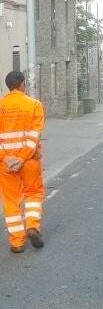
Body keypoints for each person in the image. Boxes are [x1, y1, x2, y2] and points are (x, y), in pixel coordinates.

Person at [0, 71, 45, 253]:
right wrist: (22, 157)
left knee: (11, 200)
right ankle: (32, 226)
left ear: (8, 86)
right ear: (21, 84)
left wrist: (6, 157)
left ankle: (17, 242)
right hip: (29, 161)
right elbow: (34, 135)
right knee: (33, 193)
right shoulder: (34, 105)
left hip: (5, 163)